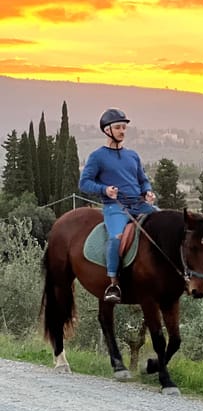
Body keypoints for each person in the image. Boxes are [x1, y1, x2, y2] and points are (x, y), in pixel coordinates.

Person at [79, 108, 157, 303]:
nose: (122, 131)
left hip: (139, 204)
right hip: (116, 207)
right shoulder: (98, 156)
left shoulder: (133, 155)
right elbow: (84, 183)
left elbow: (143, 179)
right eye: (118, 127)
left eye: (124, 127)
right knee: (116, 238)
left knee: (164, 225)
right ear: (107, 130)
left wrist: (147, 191)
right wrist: (105, 190)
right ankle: (113, 284)